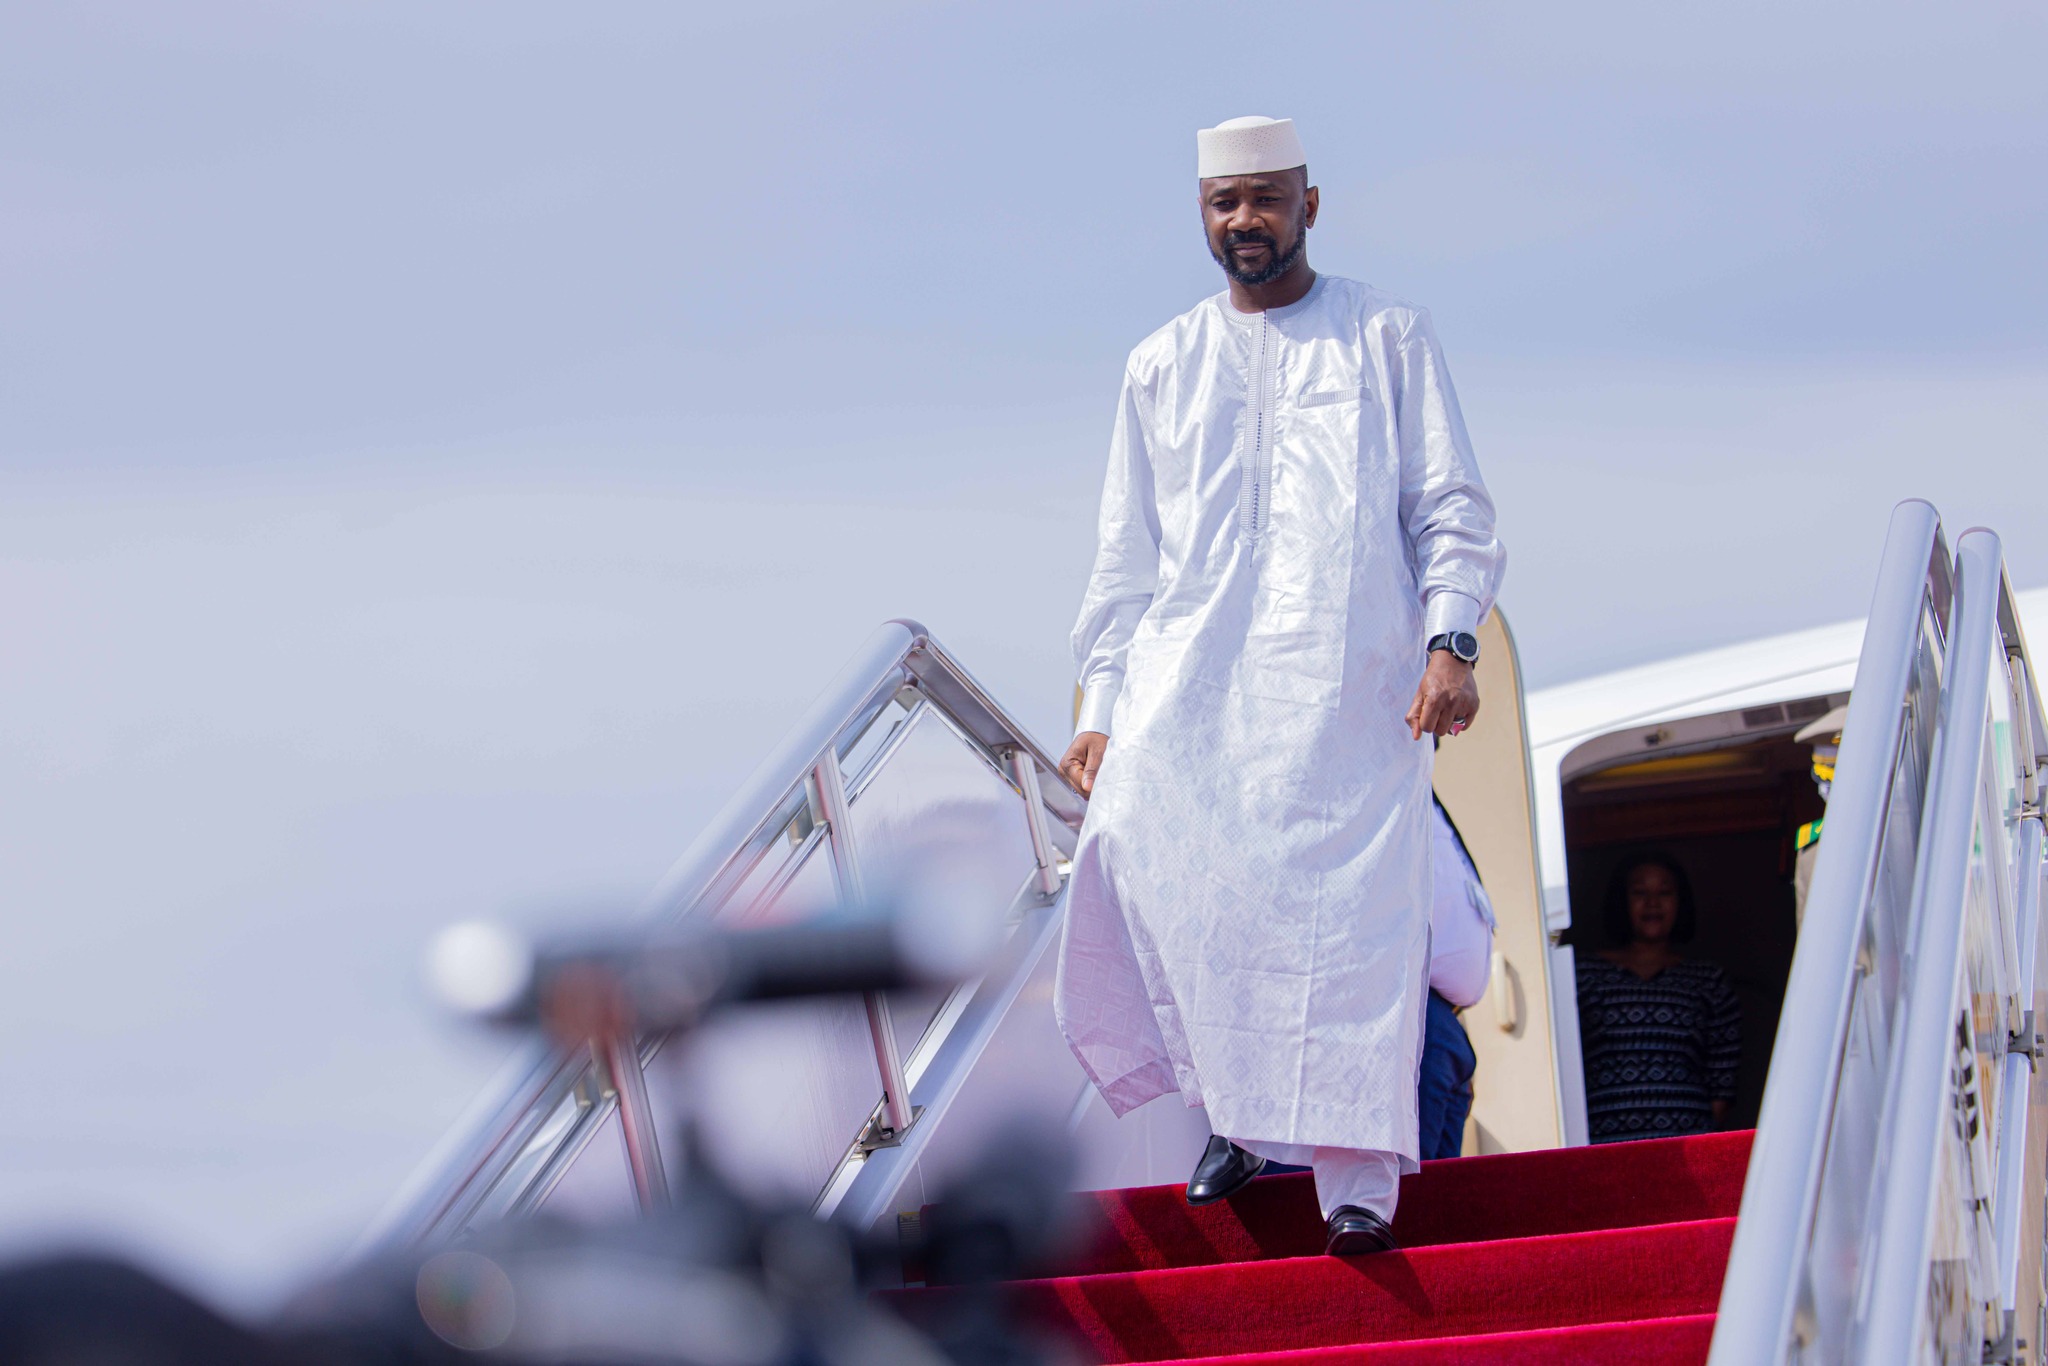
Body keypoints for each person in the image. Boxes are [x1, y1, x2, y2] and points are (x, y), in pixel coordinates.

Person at [1053, 115, 1505, 1257]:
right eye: (1222, 203)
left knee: (1343, 924)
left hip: (1346, 685)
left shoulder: (1387, 337)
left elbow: (1449, 507)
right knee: (1138, 848)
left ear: (1310, 203)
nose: (1242, 221)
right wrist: (1101, 707)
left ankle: (1357, 1182)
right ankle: (1234, 1120)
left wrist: (1449, 641)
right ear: (1198, 216)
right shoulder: (1157, 363)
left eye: (1264, 198)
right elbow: (1121, 559)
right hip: (1193, 675)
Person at [1576, 853, 1741, 1144]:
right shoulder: (1584, 973)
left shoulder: (1707, 979)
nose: (1653, 902)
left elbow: (1723, 1082)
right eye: (1640, 892)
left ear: (1680, 902)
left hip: (1687, 1148)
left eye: (1664, 892)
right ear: (1621, 901)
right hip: (1604, 1148)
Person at [1420, 795, 1494, 1160]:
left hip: (1448, 1027)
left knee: (1444, 1198)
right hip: (1416, 1023)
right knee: (1408, 1194)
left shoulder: (1427, 793)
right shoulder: (1380, 775)